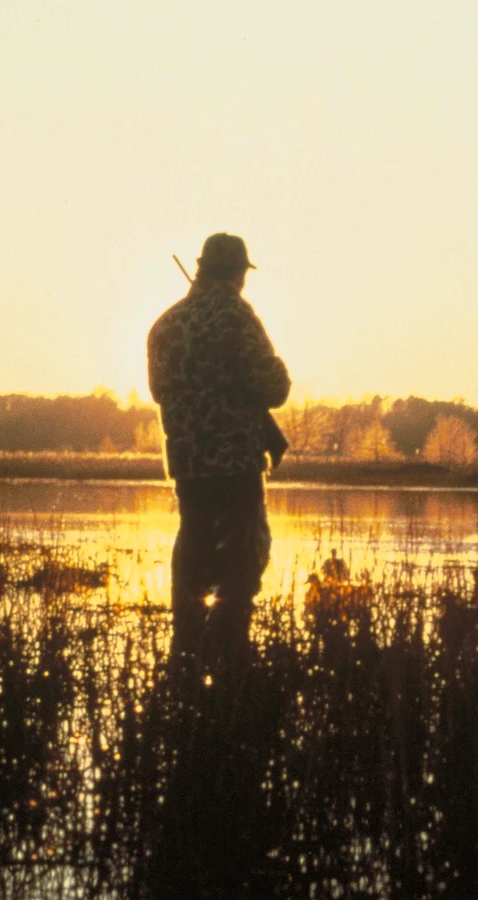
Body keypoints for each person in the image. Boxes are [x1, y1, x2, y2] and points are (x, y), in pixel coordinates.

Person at [147, 233, 290, 661]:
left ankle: (187, 646)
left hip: (188, 465)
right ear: (236, 274)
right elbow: (273, 387)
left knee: (193, 545)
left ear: (202, 266)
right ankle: (229, 647)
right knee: (245, 552)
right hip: (236, 464)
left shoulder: (166, 324)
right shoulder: (237, 316)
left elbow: (158, 392)